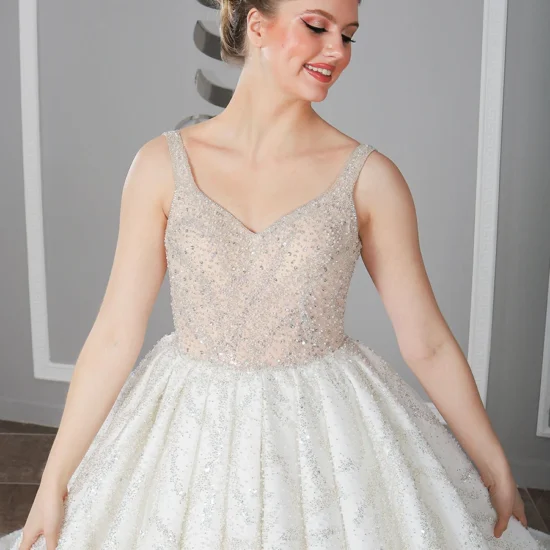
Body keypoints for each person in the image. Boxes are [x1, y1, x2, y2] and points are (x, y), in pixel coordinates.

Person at [2, 0, 550, 548]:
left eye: (348, 35)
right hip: (189, 429)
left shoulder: (371, 179)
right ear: (257, 25)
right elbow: (114, 336)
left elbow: (426, 341)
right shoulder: (160, 166)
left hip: (323, 435)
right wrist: (53, 481)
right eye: (317, 26)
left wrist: (493, 463)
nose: (337, 51)